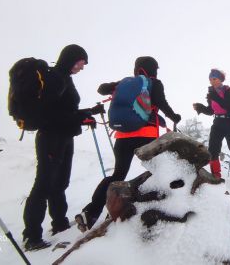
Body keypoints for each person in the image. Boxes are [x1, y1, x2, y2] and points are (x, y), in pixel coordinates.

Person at [76, 56, 181, 232]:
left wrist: (117, 86)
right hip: (147, 136)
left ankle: (91, 212)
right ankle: (166, 207)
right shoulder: (154, 83)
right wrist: (174, 117)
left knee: (117, 174)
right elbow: (161, 103)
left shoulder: (126, 83)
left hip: (123, 137)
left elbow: (102, 89)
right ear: (153, 69)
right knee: (159, 170)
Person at [21, 44, 103, 250]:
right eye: (81, 62)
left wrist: (87, 114)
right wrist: (82, 115)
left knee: (59, 183)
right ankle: (31, 236)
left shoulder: (64, 78)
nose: (82, 67)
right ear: (70, 58)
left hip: (63, 136)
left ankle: (59, 223)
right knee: (43, 185)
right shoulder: (55, 78)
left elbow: (65, 111)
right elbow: (51, 115)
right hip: (51, 138)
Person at [193, 69, 230, 185]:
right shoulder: (211, 93)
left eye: (214, 78)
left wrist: (215, 97)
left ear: (221, 79)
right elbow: (211, 111)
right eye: (210, 79)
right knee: (212, 151)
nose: (212, 81)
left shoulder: (229, 91)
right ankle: (216, 176)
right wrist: (201, 108)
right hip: (218, 123)